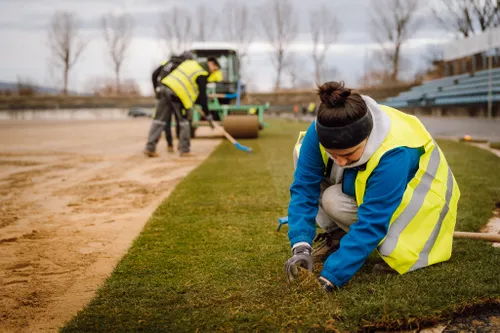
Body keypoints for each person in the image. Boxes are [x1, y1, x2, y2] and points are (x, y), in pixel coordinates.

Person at [285, 81, 460, 292]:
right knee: (318, 177)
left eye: (349, 154)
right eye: (333, 154)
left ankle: (394, 246)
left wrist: (331, 276)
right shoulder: (320, 130)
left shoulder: (394, 154)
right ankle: (339, 237)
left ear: (367, 138)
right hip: (374, 192)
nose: (340, 162)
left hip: (420, 210)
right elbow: (304, 188)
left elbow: (373, 221)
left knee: (391, 246)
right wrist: (301, 246)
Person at [144, 52, 214, 157]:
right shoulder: (199, 71)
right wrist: (207, 113)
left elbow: (155, 74)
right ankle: (184, 150)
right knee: (184, 122)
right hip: (178, 94)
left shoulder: (177, 64)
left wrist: (156, 89)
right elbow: (202, 96)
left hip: (164, 88)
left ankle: (150, 147)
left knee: (159, 120)